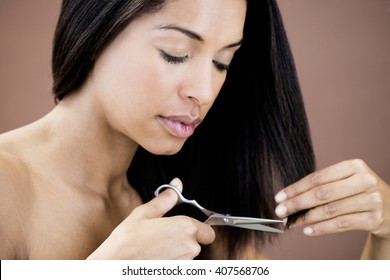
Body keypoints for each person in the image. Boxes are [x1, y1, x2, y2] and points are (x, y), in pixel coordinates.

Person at [0, 0, 388, 260]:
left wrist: (386, 231)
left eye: (223, 62)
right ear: (95, 31)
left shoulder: (193, 202)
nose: (204, 92)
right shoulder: (8, 189)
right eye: (176, 53)